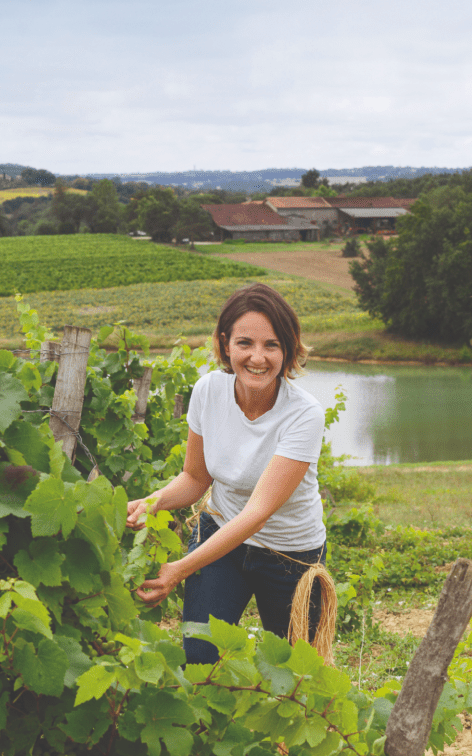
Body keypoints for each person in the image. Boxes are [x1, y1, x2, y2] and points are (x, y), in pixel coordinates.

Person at [126, 283, 327, 664]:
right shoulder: (208, 391)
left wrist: (179, 569)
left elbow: (258, 512)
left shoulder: (304, 413)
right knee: (200, 655)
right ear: (225, 343)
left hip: (290, 555)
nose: (258, 357)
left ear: (288, 348)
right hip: (220, 535)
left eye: (272, 345)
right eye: (245, 343)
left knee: (297, 672)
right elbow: (195, 479)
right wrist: (151, 503)